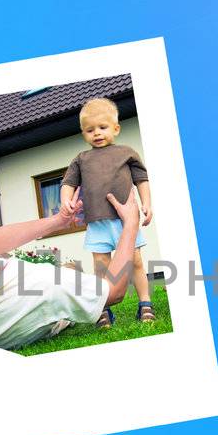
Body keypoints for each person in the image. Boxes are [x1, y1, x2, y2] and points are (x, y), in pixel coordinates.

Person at [0, 188, 144, 351]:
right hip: (53, 318)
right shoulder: (38, 285)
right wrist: (130, 224)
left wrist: (58, 221)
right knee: (72, 272)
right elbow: (113, 291)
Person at [58, 98, 155, 326]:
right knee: (101, 266)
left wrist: (147, 204)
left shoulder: (127, 153)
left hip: (125, 221)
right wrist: (65, 201)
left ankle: (145, 303)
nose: (97, 134)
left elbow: (142, 180)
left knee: (136, 262)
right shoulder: (81, 159)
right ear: (83, 133)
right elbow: (67, 184)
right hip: (97, 223)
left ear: (116, 128)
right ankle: (103, 308)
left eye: (102, 128)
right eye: (90, 130)